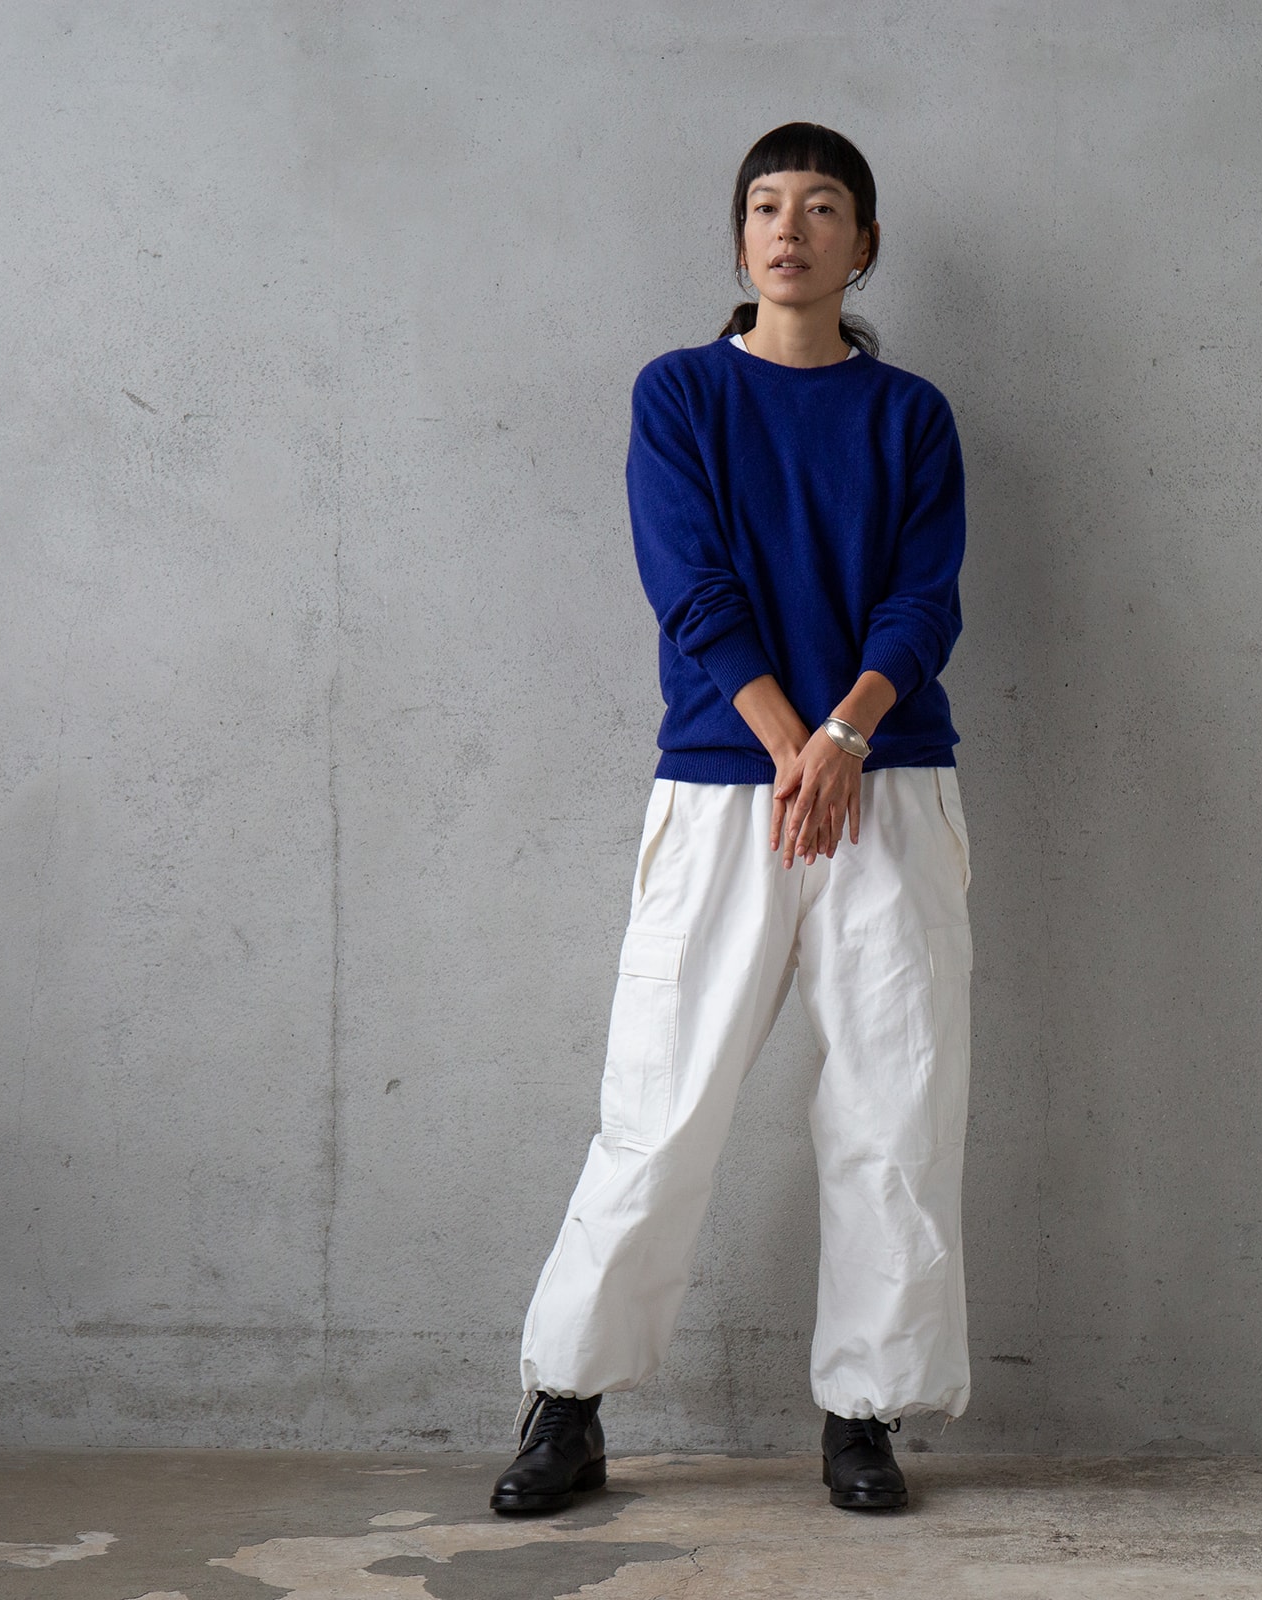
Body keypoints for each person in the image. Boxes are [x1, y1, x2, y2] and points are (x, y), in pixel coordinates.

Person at [492, 122, 973, 1517]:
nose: (791, 228)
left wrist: (846, 735)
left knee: (896, 1111)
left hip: (888, 780)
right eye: (767, 205)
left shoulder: (911, 416)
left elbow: (925, 600)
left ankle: (864, 1416)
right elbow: (690, 583)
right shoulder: (683, 394)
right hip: (725, 786)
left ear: (864, 245)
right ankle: (568, 1407)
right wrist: (792, 744)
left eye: (822, 207)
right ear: (740, 237)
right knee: (660, 1109)